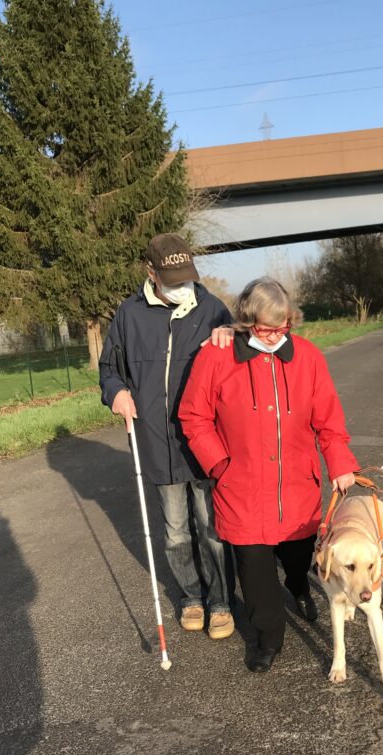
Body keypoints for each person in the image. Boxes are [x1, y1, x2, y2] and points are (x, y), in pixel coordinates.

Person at [178, 277, 358, 673]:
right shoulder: (216, 358)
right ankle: (268, 635)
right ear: (245, 321)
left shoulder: (308, 357)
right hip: (240, 487)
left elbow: (328, 418)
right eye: (266, 328)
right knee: (255, 570)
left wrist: (341, 463)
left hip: (297, 486)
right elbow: (194, 416)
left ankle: (297, 585)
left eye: (284, 327)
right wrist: (219, 464)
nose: (276, 337)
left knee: (296, 556)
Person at [99, 233, 235, 639]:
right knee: (176, 529)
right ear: (151, 273)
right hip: (157, 443)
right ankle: (191, 596)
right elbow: (110, 368)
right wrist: (116, 393)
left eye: (186, 276)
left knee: (211, 526)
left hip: (206, 441)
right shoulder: (129, 314)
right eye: (172, 277)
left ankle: (221, 602)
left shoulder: (213, 310)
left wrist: (233, 337)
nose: (182, 285)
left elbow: (242, 365)